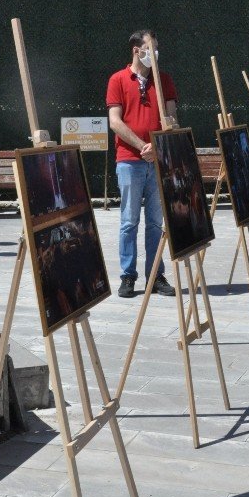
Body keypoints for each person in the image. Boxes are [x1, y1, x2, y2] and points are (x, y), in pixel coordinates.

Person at [106, 30, 177, 298]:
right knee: (128, 221)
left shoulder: (164, 81)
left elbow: (172, 119)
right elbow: (115, 121)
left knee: (156, 224)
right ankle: (128, 275)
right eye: (151, 48)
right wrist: (141, 146)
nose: (155, 54)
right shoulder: (118, 80)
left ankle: (156, 275)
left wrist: (157, 148)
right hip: (129, 162)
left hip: (157, 161)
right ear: (137, 50)